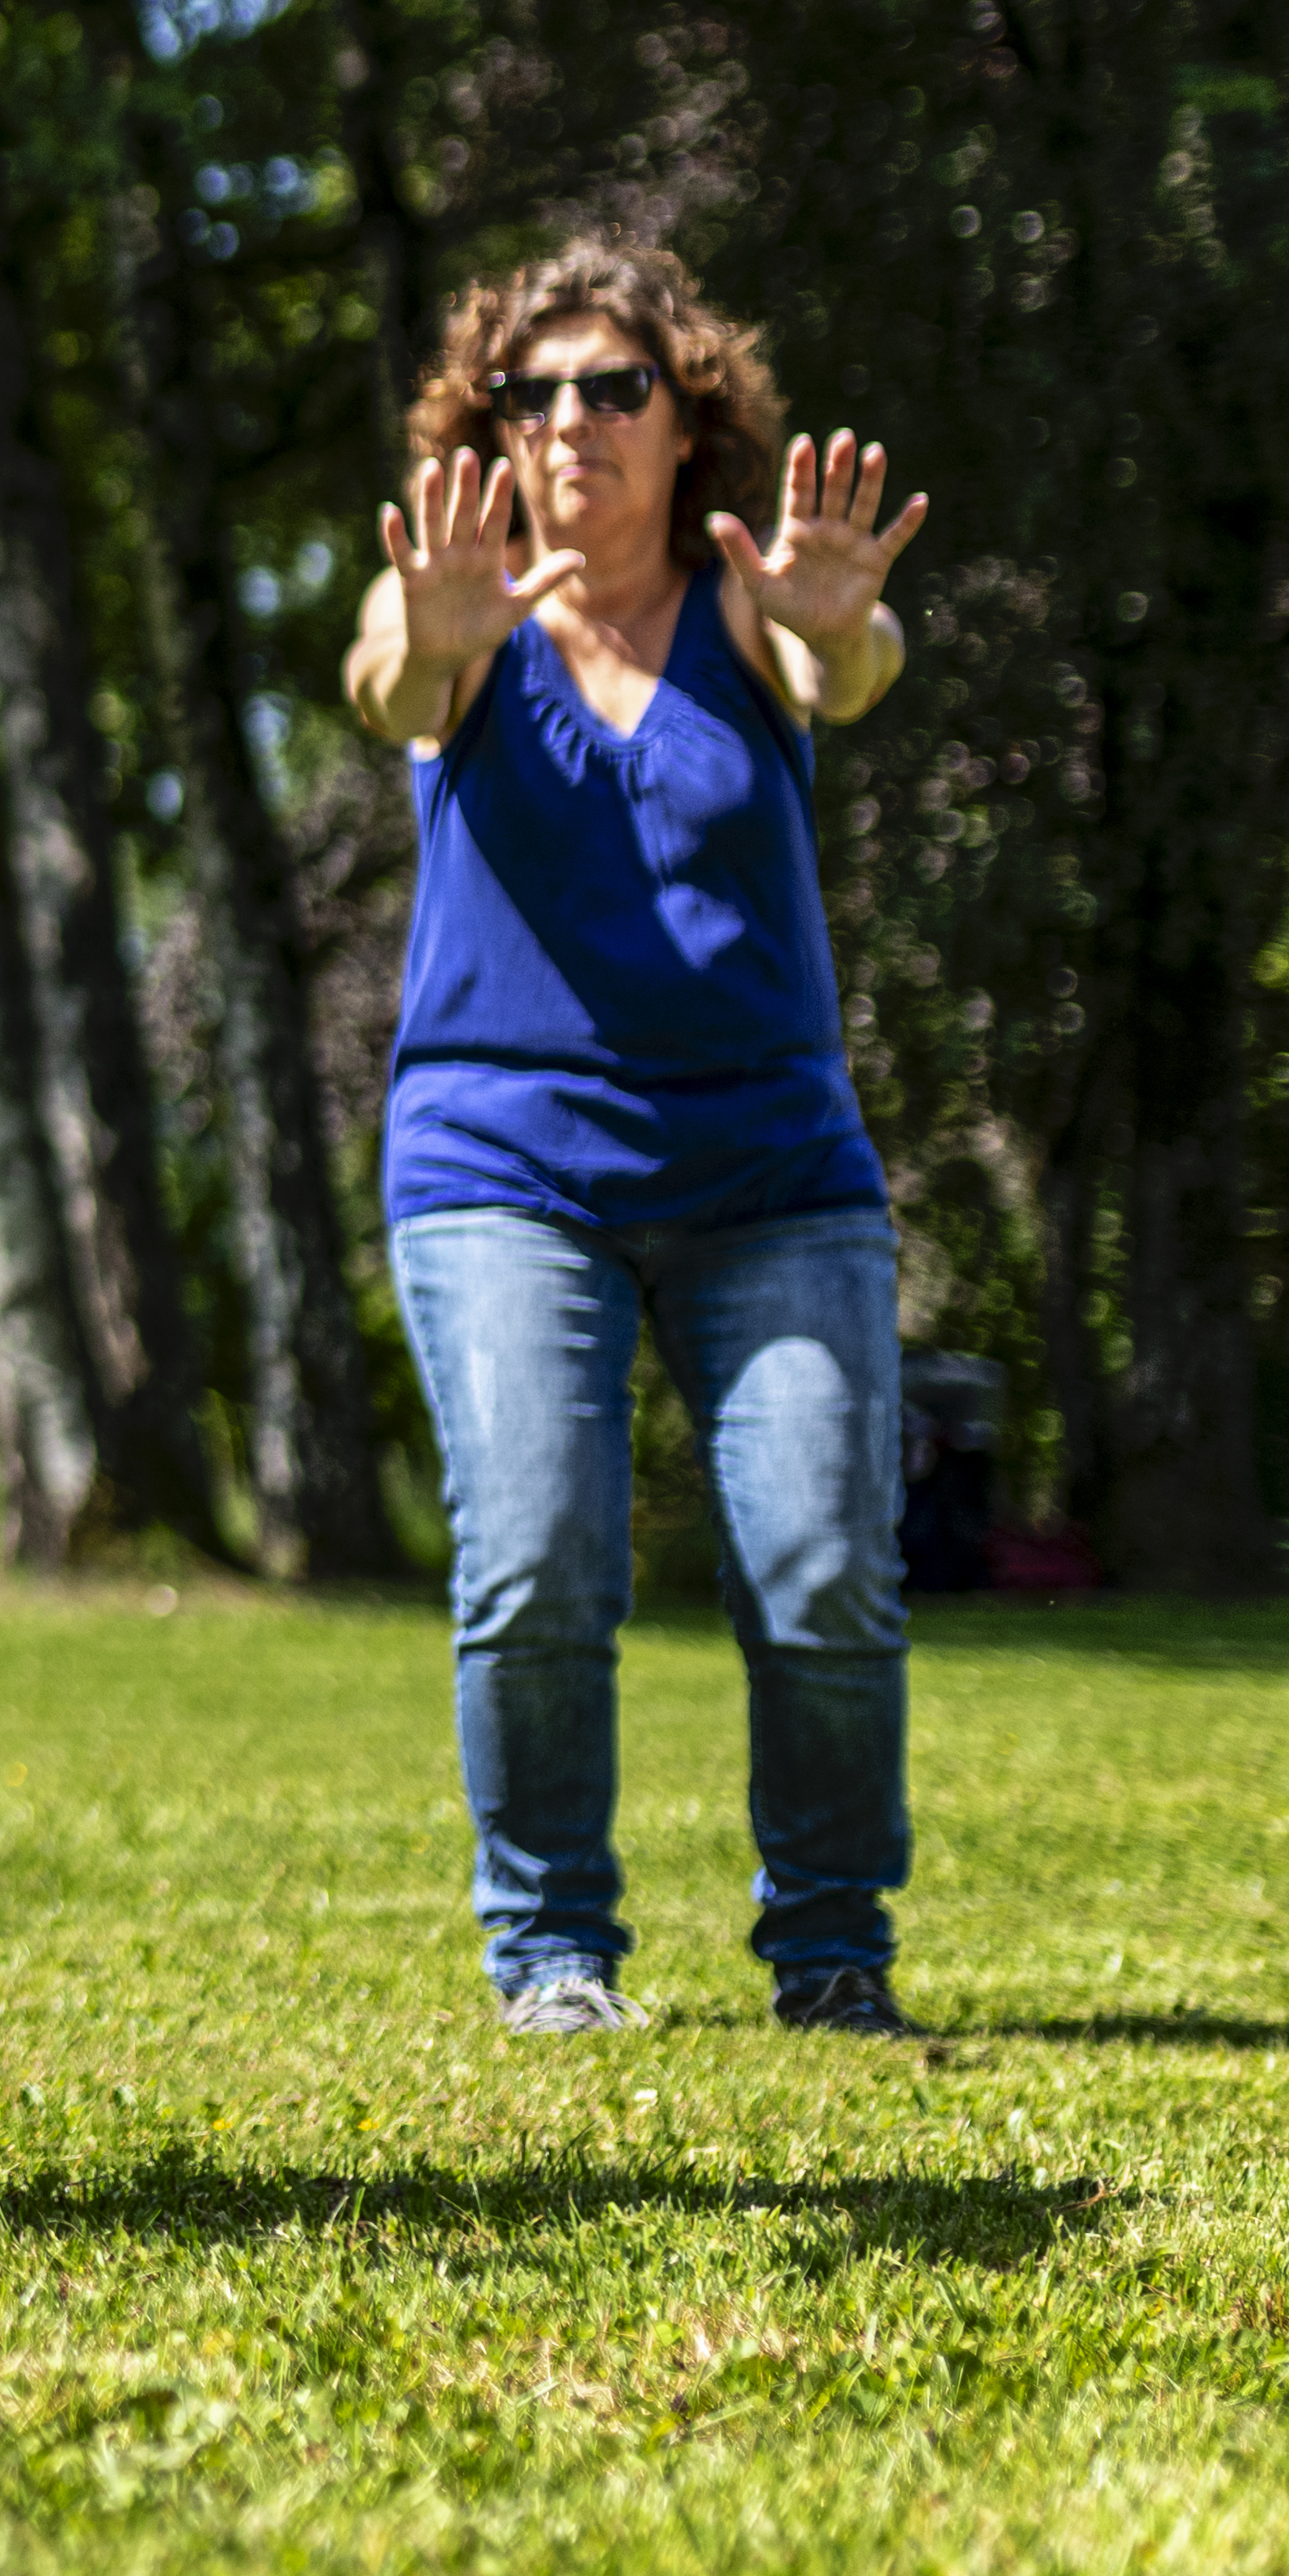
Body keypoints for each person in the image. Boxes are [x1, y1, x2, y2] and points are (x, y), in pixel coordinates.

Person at [343, 238, 940, 2038]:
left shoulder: (752, 602)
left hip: (771, 1171)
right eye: (537, 393)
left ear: (690, 425)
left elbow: (854, 665)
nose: (576, 420)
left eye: (619, 388)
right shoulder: (451, 605)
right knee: (536, 1557)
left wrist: (843, 616)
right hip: (503, 1167)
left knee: (825, 1565)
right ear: (496, 430)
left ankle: (831, 1944)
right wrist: (428, 645)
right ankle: (550, 1950)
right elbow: (392, 679)